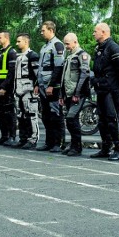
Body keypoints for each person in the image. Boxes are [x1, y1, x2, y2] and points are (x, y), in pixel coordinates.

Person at [90, 23, 119, 161]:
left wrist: (118, 88)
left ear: (103, 32)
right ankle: (106, 148)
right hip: (101, 89)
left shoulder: (113, 48)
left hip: (111, 90)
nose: (93, 34)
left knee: (112, 119)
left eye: (95, 31)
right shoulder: (99, 48)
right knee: (102, 121)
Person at [34, 21, 65, 151]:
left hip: (52, 87)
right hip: (42, 86)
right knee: (46, 115)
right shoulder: (45, 47)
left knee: (55, 115)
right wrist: (36, 84)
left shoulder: (57, 45)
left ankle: (58, 143)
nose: (41, 33)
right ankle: (49, 142)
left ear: (51, 30)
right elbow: (41, 67)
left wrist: (52, 85)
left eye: (43, 30)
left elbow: (59, 67)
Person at [59, 33, 91, 157]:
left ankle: (77, 146)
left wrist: (77, 93)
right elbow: (64, 77)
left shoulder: (82, 55)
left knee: (71, 118)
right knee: (71, 120)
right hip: (68, 93)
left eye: (67, 44)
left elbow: (84, 74)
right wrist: (61, 95)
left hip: (77, 94)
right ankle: (73, 144)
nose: (66, 46)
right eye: (65, 43)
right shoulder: (69, 56)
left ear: (75, 42)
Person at [13, 33, 40, 148]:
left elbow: (37, 73)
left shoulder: (32, 55)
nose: (17, 43)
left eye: (19, 41)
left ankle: (33, 139)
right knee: (20, 115)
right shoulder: (18, 57)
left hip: (28, 90)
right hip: (18, 90)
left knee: (31, 115)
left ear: (26, 42)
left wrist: (36, 85)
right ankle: (23, 138)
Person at [0, 31, 17, 145]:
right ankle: (4, 135)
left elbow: (11, 72)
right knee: (0, 112)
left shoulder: (11, 52)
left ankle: (11, 136)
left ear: (6, 38)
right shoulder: (1, 52)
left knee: (9, 112)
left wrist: (4, 87)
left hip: (6, 88)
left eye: (0, 37)